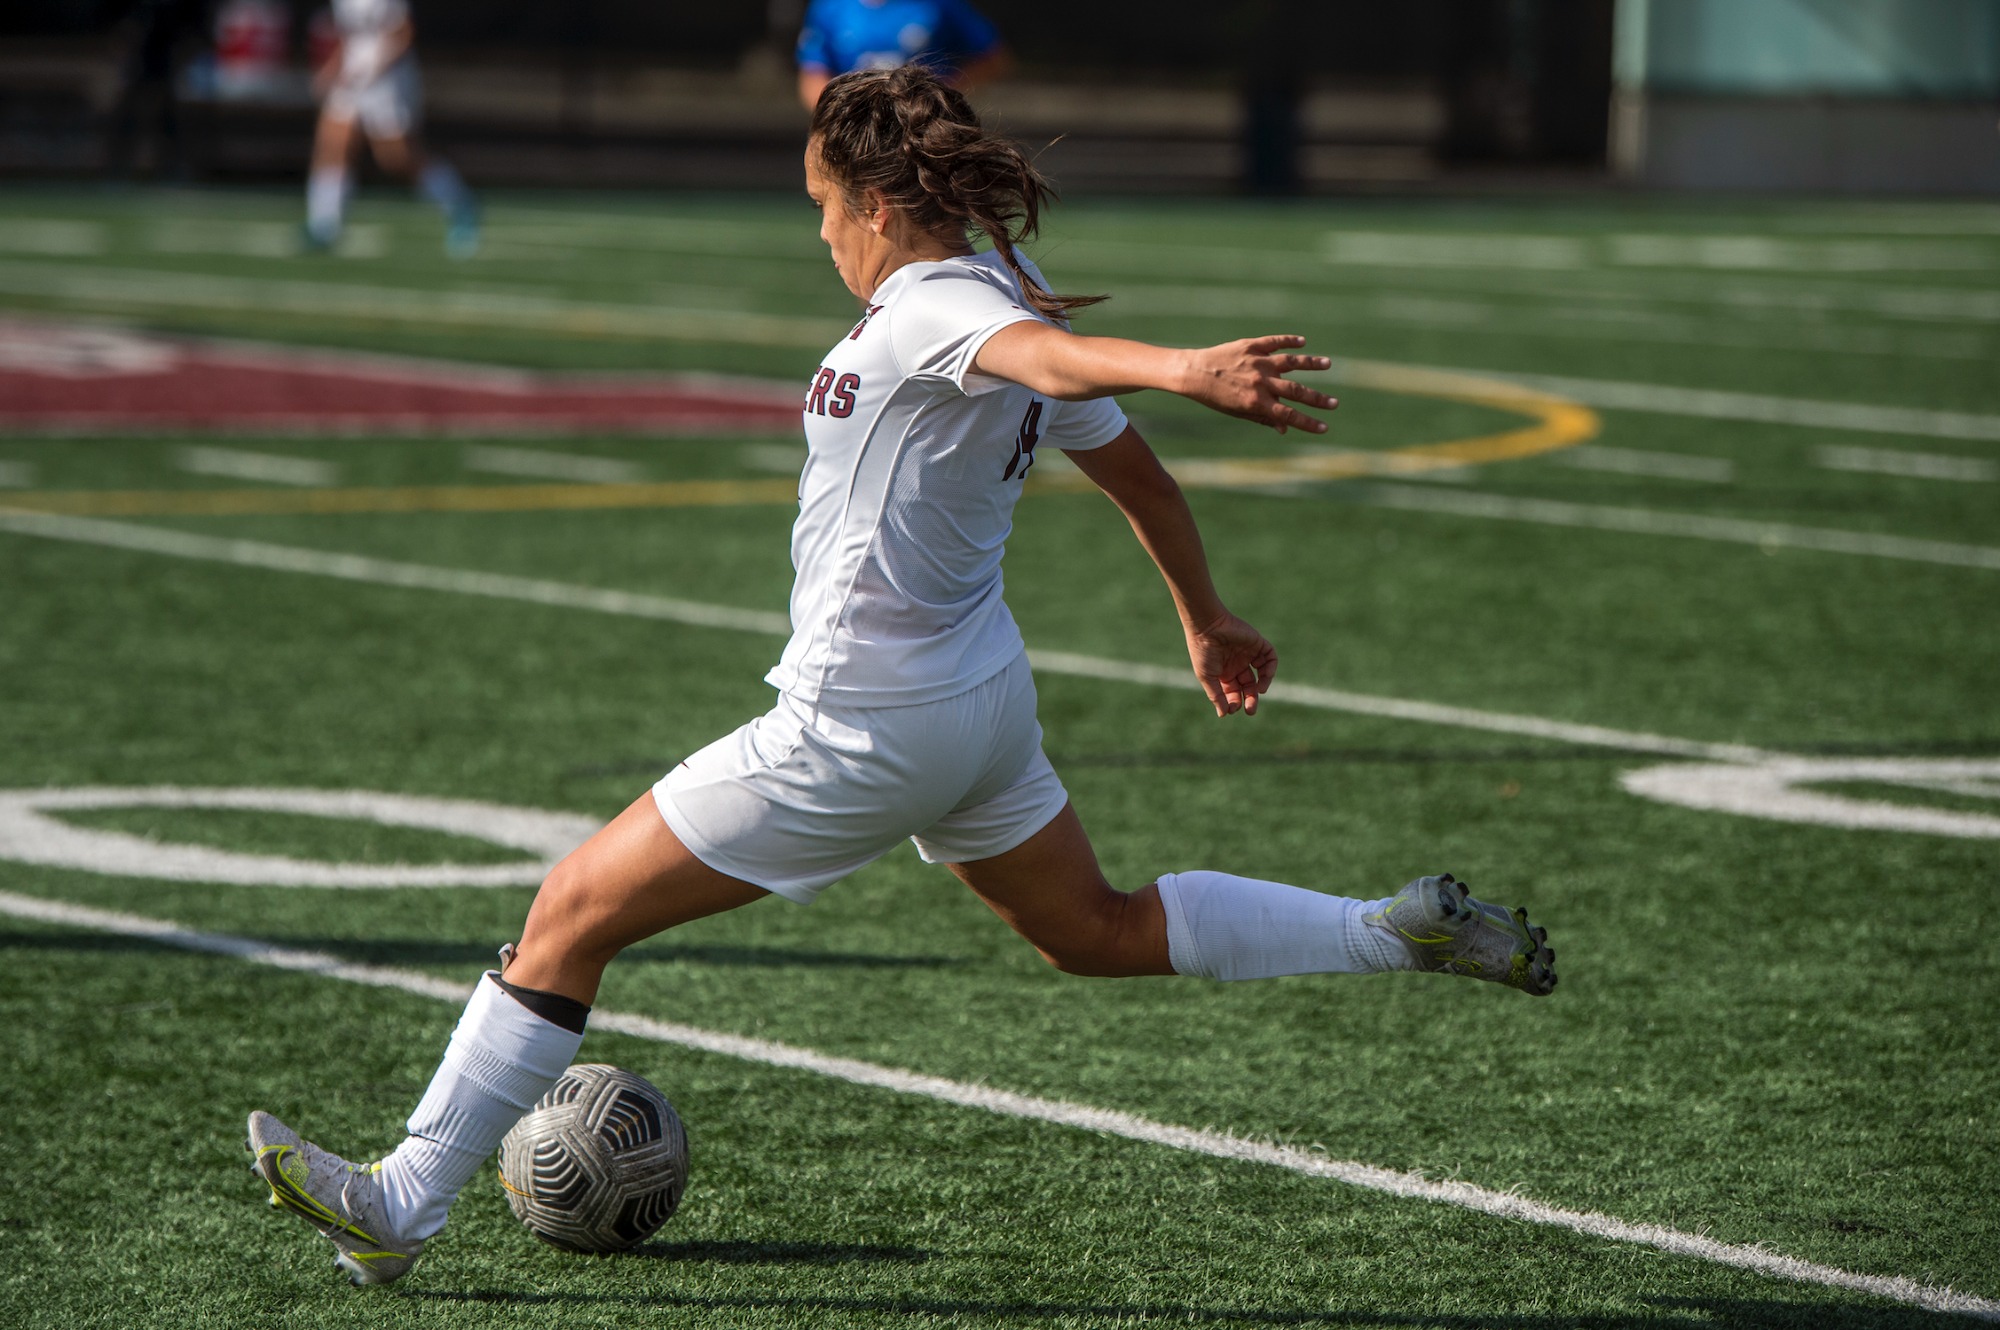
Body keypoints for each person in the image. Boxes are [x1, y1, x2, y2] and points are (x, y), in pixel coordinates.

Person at [248, 65, 1556, 1287]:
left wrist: (1182, 366)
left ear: (878, 201)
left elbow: (1050, 368)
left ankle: (399, 1209)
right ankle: (1390, 929)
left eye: (823, 206)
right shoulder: (1005, 277)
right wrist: (1202, 610)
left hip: (859, 723)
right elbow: (1128, 465)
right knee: (1091, 931)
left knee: (570, 911)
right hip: (977, 700)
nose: (820, 235)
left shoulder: (946, 302)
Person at [302, 0, 477, 257]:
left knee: (397, 158)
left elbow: (403, 33)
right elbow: (349, 36)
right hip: (353, 77)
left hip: (388, 80)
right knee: (332, 144)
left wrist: (373, 69)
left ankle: (458, 201)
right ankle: (324, 225)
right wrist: (332, 70)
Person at [796, 0, 1012, 109]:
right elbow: (813, 75)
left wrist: (943, 94)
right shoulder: (830, 8)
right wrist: (843, 115)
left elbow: (993, 59)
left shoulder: (938, 5)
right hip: (859, 132)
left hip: (923, 131)